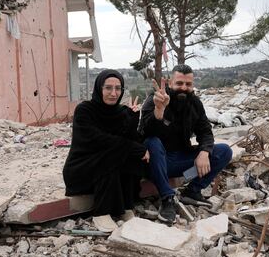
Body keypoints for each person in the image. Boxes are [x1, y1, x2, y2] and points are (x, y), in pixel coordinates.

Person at [139, 64, 232, 224]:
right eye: (179, 83)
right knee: (152, 142)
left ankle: (192, 191)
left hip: (180, 160)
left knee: (223, 151)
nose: (183, 88)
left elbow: (205, 132)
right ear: (170, 83)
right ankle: (167, 198)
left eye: (188, 84)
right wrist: (159, 112)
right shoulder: (156, 99)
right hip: (155, 162)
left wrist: (204, 152)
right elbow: (143, 133)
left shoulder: (194, 104)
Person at [63, 69, 149, 232]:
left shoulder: (122, 112)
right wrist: (134, 148)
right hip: (82, 169)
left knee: (127, 155)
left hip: (108, 167)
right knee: (113, 153)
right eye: (108, 88)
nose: (113, 93)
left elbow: (130, 140)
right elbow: (97, 140)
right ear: (99, 88)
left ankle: (124, 206)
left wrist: (132, 119)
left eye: (118, 88)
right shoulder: (85, 110)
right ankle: (101, 212)